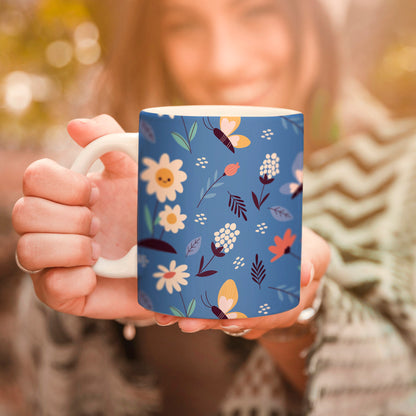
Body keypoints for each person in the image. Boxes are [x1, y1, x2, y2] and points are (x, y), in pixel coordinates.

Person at [11, 1, 416, 415]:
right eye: (184, 25)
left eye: (258, 12)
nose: (223, 62)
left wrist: (301, 317)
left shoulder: (403, 173)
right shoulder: (125, 174)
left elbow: (404, 389)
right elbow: (38, 375)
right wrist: (93, 256)